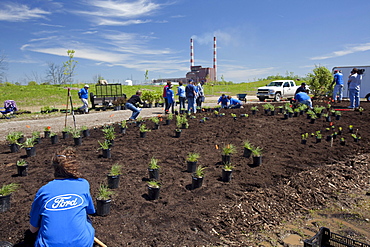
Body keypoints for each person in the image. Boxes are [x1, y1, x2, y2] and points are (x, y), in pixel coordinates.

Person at [28, 147, 95, 247]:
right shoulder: (83, 184)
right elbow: (90, 211)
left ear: (54, 167)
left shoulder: (44, 191)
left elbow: (33, 229)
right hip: (82, 243)